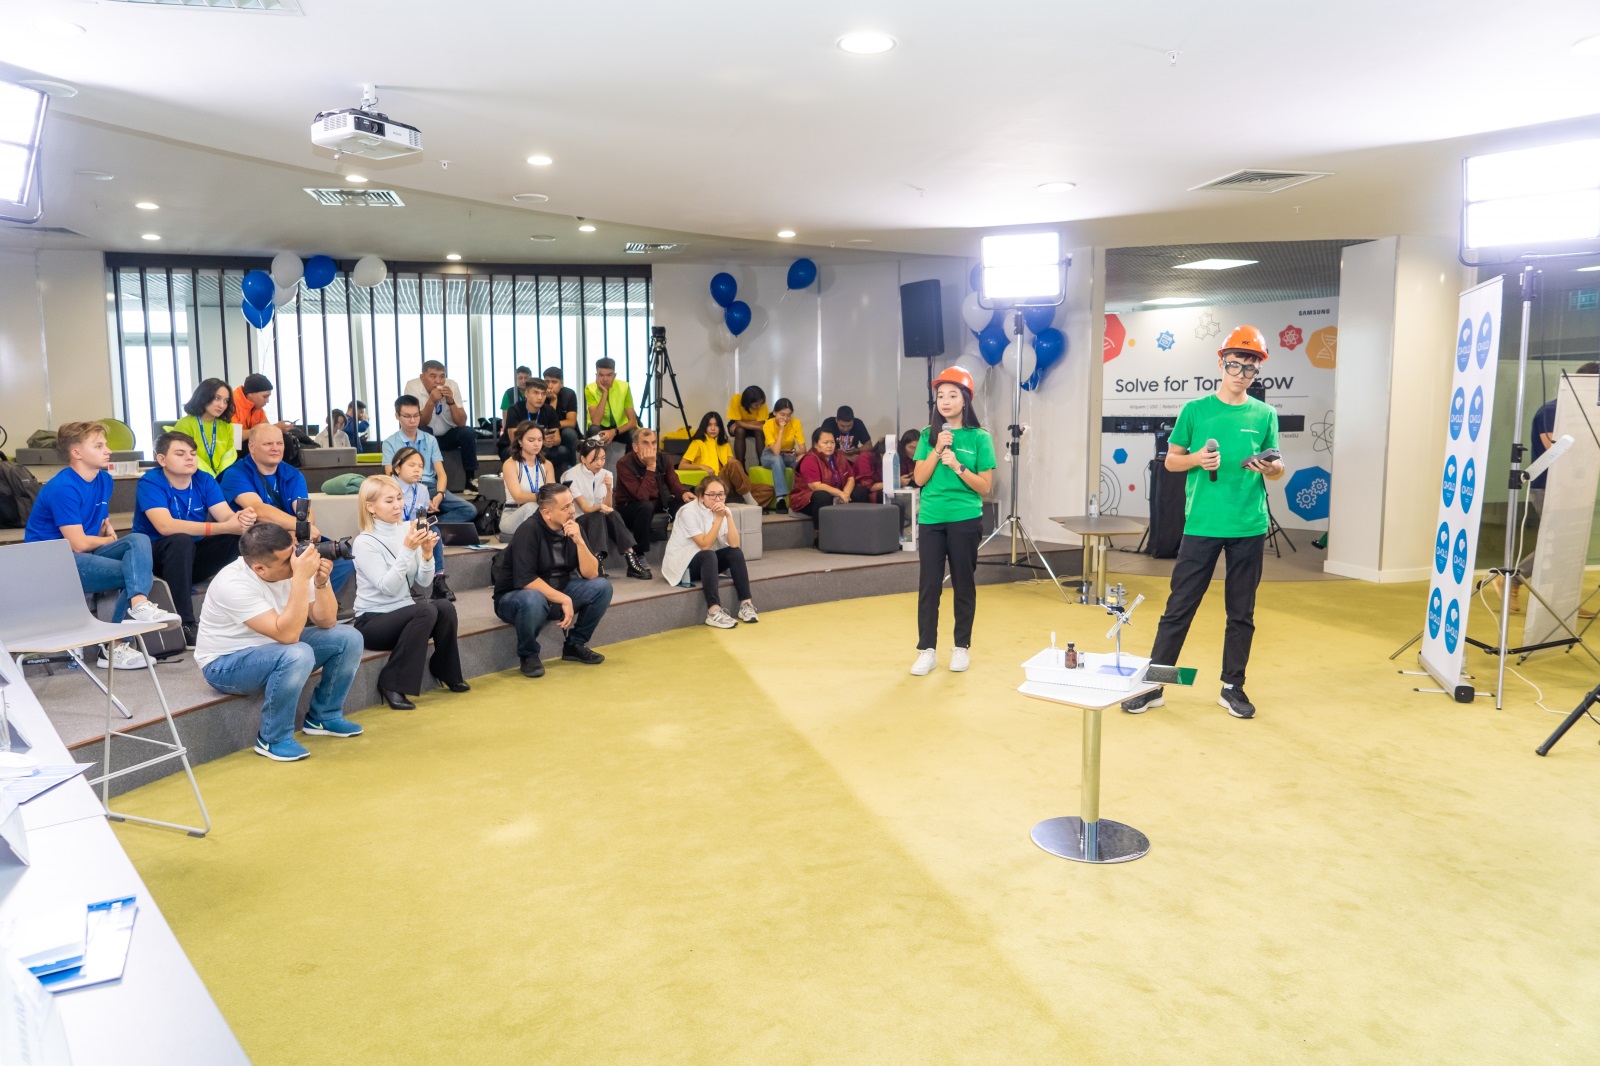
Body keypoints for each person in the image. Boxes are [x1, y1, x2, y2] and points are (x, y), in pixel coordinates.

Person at [1121, 326, 1285, 720]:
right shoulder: (1195, 410)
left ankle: (1232, 688)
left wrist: (1271, 468)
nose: (1241, 374)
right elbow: (1171, 461)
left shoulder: (1265, 414)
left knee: (1241, 613)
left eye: (1250, 368)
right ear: (1221, 363)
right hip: (1201, 525)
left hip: (1248, 525)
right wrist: (1197, 459)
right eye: (1235, 365)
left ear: (1258, 370)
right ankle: (1155, 685)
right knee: (1179, 608)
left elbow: (1277, 465)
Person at [194, 523, 365, 762]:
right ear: (260, 568)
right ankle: (272, 738)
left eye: (293, 552)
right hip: (225, 664)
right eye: (287, 561)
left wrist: (321, 582)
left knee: (348, 638)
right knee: (297, 653)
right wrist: (301, 579)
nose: (295, 561)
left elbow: (327, 621)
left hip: (275, 647)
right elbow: (288, 636)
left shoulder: (293, 567)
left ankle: (324, 716)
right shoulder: (232, 583)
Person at [25, 420, 182, 670]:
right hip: (53, 562)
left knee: (138, 539)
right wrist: (107, 540)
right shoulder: (63, 487)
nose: (108, 450)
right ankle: (114, 646)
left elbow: (94, 531)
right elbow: (77, 543)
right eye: (98, 446)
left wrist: (101, 538)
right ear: (77, 453)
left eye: (105, 445)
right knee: (133, 572)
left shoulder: (105, 480)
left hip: (85, 552)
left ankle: (138, 605)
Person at [351, 475, 470, 710]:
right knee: (425, 610)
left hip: (406, 614)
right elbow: (388, 587)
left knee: (444, 607)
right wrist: (407, 550)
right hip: (373, 621)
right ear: (370, 507)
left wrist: (426, 555)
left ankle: (446, 670)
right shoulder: (365, 542)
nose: (397, 505)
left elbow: (423, 582)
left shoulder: (408, 529)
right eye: (389, 501)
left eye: (399, 498)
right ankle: (392, 682)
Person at [908, 366, 996, 677]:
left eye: (952, 395)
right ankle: (926, 650)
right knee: (929, 586)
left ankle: (961, 647)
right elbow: (919, 479)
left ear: (965, 400)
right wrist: (936, 449)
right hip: (931, 519)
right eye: (940, 396)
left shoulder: (980, 437)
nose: (945, 401)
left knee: (963, 583)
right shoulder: (927, 435)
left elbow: (985, 487)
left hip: (965, 519)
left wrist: (958, 466)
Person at [134, 431, 258, 646]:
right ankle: (186, 623)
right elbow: (165, 526)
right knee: (180, 540)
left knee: (237, 539)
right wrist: (225, 526)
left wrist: (241, 519)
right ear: (162, 459)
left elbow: (226, 516)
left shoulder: (204, 479)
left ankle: (250, 613)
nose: (189, 458)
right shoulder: (151, 481)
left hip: (190, 557)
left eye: (192, 453)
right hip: (156, 557)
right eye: (180, 453)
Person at [1498, 362, 1600, 613]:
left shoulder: (1588, 415)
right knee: (1556, 543)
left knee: (1569, 546)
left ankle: (1563, 602)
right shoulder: (1552, 411)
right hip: (1547, 487)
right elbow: (1555, 448)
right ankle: (1512, 580)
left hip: (1578, 486)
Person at [491, 484, 611, 678]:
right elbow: (526, 580)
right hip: (515, 598)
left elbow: (591, 574)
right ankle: (528, 655)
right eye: (566, 507)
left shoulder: (573, 527)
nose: (572, 510)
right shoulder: (528, 530)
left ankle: (575, 645)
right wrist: (564, 599)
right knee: (533, 598)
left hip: (556, 590)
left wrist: (580, 542)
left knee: (602, 587)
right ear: (547, 513)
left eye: (572, 504)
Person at [218, 424, 355, 594]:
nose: (275, 448)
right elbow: (259, 509)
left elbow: (304, 509)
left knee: (342, 557)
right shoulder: (235, 473)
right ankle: (295, 604)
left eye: (279, 443)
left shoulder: (292, 473)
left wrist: (301, 533)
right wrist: (301, 528)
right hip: (257, 542)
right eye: (268, 444)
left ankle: (314, 603)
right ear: (252, 447)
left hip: (293, 536)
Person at [661, 476, 760, 629]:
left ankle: (746, 604)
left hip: (707, 562)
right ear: (701, 496)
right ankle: (713, 611)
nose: (717, 499)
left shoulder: (722, 510)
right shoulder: (688, 512)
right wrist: (719, 518)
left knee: (735, 553)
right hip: (684, 564)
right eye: (712, 495)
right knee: (708, 554)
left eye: (721, 494)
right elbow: (705, 545)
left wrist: (728, 516)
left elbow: (734, 544)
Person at [383, 395, 480, 530]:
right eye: (407, 416)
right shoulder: (389, 443)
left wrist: (440, 494)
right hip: (405, 488)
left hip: (431, 487)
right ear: (397, 416)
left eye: (416, 415)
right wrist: (420, 497)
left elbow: (441, 474)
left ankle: (429, 525)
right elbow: (391, 476)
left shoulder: (430, 439)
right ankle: (425, 527)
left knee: (469, 510)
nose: (413, 420)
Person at [562, 437, 648, 579]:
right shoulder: (570, 475)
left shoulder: (607, 474)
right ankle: (597, 561)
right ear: (583, 459)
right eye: (595, 459)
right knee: (597, 515)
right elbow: (584, 508)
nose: (600, 463)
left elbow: (608, 507)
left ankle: (631, 558)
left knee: (613, 514)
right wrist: (601, 506)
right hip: (578, 520)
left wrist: (608, 489)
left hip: (599, 518)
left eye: (603, 459)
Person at [615, 428, 695, 568]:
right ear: (635, 447)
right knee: (646, 506)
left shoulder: (663, 458)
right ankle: (639, 553)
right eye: (645, 443)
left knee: (684, 505)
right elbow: (642, 496)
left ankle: (689, 551)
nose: (651, 447)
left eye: (653, 443)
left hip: (656, 501)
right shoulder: (624, 464)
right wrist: (651, 466)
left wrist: (683, 493)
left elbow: (673, 482)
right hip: (630, 507)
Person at [389, 445, 456, 601]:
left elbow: (421, 516)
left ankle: (438, 580)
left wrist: (423, 525)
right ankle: (404, 583)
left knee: (434, 532)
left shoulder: (422, 490)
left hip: (413, 529)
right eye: (411, 465)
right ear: (397, 468)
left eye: (420, 466)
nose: (417, 470)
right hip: (392, 530)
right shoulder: (387, 487)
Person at [401, 359, 479, 492]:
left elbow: (461, 422)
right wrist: (431, 401)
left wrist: (451, 401)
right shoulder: (413, 386)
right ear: (422, 377)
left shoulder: (452, 385)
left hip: (447, 435)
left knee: (467, 432)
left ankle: (470, 479)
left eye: (442, 377)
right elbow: (419, 422)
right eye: (433, 376)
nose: (438, 381)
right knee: (423, 431)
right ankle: (429, 480)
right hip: (427, 435)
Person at [681, 411, 758, 505]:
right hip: (712, 482)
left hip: (728, 483)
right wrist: (702, 466)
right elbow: (682, 465)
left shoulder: (725, 444)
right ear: (704, 427)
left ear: (720, 428)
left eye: (716, 425)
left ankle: (737, 499)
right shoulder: (697, 443)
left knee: (768, 489)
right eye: (710, 425)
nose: (713, 428)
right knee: (733, 464)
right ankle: (746, 499)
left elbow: (731, 462)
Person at [791, 427, 855, 535]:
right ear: (816, 444)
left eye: (832, 442)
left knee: (860, 492)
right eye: (825, 442)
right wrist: (840, 493)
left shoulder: (839, 456)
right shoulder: (809, 459)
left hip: (836, 494)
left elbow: (851, 477)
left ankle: (857, 532)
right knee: (822, 495)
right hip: (806, 499)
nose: (830, 446)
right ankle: (820, 536)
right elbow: (815, 486)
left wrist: (846, 494)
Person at [498, 422, 556, 539]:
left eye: (540, 440)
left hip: (541, 512)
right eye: (531, 440)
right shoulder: (510, 464)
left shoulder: (547, 465)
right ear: (520, 441)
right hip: (513, 514)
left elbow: (552, 493)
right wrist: (545, 496)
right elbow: (518, 497)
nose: (536, 444)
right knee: (531, 507)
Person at [172, 378, 237, 477]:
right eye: (217, 398)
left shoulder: (227, 426)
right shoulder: (185, 424)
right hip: (193, 476)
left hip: (221, 477)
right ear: (204, 396)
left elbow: (228, 458)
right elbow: (184, 458)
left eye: (226, 401)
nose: (222, 405)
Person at [232, 373, 295, 453]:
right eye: (265, 397)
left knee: (285, 440)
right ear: (250, 394)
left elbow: (267, 429)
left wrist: (278, 429)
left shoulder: (257, 407)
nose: (267, 401)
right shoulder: (232, 404)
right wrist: (275, 427)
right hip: (234, 448)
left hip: (248, 443)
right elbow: (236, 437)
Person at [760, 398, 804, 513]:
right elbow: (776, 451)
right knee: (777, 459)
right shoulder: (768, 424)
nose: (785, 418)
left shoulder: (796, 423)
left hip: (788, 454)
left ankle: (798, 497)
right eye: (782, 414)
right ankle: (781, 500)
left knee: (802, 461)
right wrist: (781, 430)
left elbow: (803, 449)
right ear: (775, 413)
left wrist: (796, 453)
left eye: (789, 415)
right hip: (769, 454)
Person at [499, 377, 558, 461]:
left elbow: (558, 438)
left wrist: (550, 441)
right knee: (519, 452)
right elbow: (514, 439)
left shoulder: (549, 410)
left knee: (561, 451)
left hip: (540, 446)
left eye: (543, 394)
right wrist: (538, 439)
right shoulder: (515, 409)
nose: (540, 397)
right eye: (536, 393)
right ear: (526, 394)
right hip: (515, 446)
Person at [584, 357, 639, 446]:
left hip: (620, 429)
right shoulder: (590, 389)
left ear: (614, 375)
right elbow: (596, 422)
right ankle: (597, 456)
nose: (605, 379)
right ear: (596, 376)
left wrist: (614, 432)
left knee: (634, 433)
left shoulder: (624, 387)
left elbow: (633, 422)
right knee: (594, 429)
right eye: (601, 375)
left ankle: (628, 456)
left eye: (609, 375)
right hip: (601, 428)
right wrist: (604, 393)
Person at [543, 365, 582, 466]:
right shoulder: (540, 395)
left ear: (561, 383)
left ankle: (574, 466)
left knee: (569, 433)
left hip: (564, 432)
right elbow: (544, 422)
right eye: (547, 382)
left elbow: (571, 422)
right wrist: (553, 401)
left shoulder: (569, 394)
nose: (550, 386)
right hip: (546, 433)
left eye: (554, 382)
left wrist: (553, 425)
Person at [726, 385, 769, 467]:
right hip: (738, 427)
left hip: (749, 426)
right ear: (747, 402)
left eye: (761, 404)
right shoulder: (736, 399)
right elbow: (738, 423)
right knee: (740, 431)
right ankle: (741, 466)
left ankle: (762, 464)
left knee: (759, 432)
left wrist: (741, 423)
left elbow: (760, 422)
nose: (759, 407)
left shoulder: (761, 402)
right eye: (756, 405)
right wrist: (755, 426)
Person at [853, 438, 886, 503]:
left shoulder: (896, 461)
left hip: (880, 488)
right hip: (863, 491)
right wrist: (896, 482)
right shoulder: (865, 457)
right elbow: (870, 486)